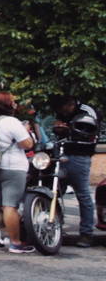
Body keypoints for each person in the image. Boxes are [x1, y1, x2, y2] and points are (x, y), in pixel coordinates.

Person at [0, 92, 35, 253]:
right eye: (13, 101)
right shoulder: (12, 122)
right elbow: (27, 144)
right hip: (12, 168)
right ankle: (16, 243)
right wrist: (26, 131)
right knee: (10, 206)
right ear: (9, 105)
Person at [50, 95, 100, 248]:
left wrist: (69, 129)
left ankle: (86, 234)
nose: (60, 112)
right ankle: (56, 227)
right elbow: (59, 130)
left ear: (70, 104)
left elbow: (90, 131)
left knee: (83, 194)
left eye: (62, 108)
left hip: (80, 155)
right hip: (61, 154)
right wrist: (59, 129)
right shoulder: (63, 113)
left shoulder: (87, 111)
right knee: (54, 193)